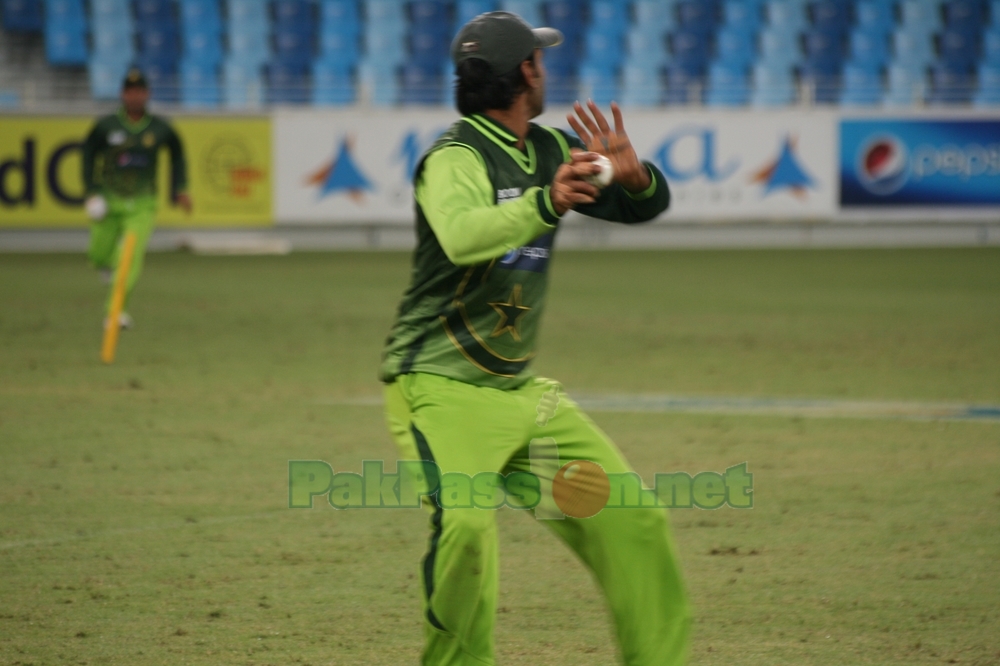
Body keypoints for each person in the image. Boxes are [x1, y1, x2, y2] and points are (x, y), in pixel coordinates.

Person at [379, 11, 690, 666]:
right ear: (526, 71)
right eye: (539, 61)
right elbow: (463, 237)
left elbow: (640, 208)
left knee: (632, 522)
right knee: (466, 528)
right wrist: (544, 204)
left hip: (524, 399)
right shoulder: (453, 157)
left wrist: (638, 180)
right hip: (441, 388)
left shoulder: (550, 151)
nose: (544, 70)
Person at [82, 68, 191, 329]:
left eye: (140, 91)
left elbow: (177, 154)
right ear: (122, 94)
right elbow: (88, 154)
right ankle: (105, 265)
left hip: (143, 204)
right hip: (109, 201)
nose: (135, 96)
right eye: (130, 92)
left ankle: (115, 312)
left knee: (128, 258)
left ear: (147, 94)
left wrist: (181, 188)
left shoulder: (160, 128)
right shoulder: (106, 126)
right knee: (98, 253)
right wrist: (91, 192)